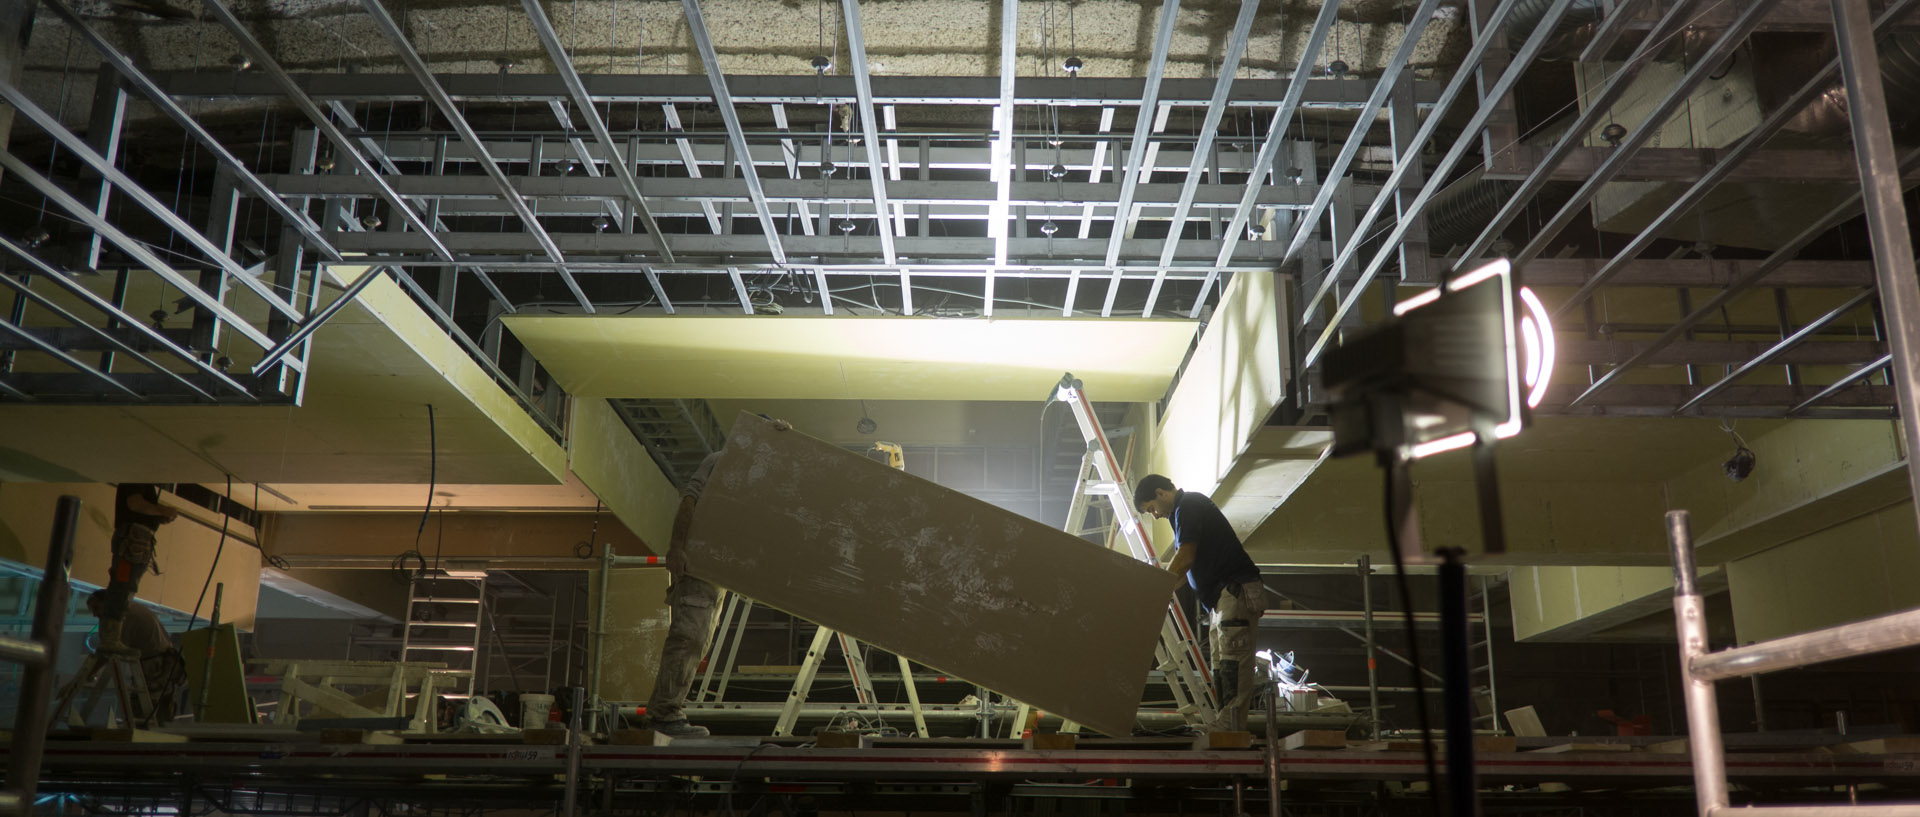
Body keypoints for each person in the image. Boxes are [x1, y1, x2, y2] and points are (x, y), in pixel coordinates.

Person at [643, 415, 792, 738]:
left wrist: (787, 440)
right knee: (689, 637)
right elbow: (689, 500)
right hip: (699, 563)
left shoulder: (759, 473)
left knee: (701, 641)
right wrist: (677, 547)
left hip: (719, 568)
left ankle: (665, 711)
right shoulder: (720, 462)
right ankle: (664, 714)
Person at [1134, 473, 1267, 732]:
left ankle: (1230, 729)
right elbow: (1183, 571)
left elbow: (1185, 557)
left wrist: (1155, 590)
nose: (1155, 516)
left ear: (1161, 493)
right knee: (1221, 667)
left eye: (1151, 509)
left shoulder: (1189, 505)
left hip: (1234, 592)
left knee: (1232, 664)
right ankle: (1227, 725)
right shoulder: (1183, 513)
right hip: (1222, 600)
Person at [85, 590, 186, 726]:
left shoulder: (122, 617)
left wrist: (89, 672)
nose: (95, 614)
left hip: (156, 666)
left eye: (96, 608)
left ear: (107, 603)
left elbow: (109, 651)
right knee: (158, 712)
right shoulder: (133, 609)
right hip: (162, 662)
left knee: (144, 711)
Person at [100, 484, 178, 655]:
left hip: (135, 540)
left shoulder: (143, 479)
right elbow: (134, 503)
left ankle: (112, 637)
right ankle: (110, 638)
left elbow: (138, 507)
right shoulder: (139, 475)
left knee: (125, 586)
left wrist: (158, 514)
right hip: (133, 540)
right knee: (123, 586)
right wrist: (162, 510)